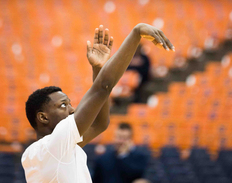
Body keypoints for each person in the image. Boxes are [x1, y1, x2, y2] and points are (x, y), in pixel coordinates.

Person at [22, 24, 174, 183]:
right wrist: (137, 33)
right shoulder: (52, 146)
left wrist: (98, 68)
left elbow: (100, 124)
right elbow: (103, 87)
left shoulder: (49, 151)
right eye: (62, 105)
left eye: (69, 103)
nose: (72, 109)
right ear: (43, 117)